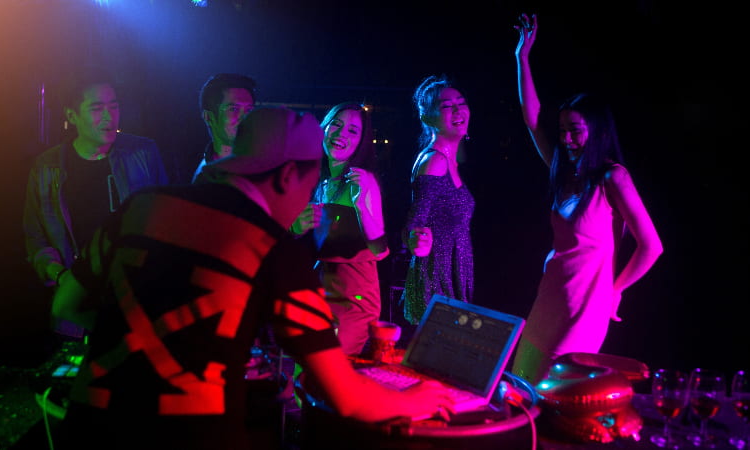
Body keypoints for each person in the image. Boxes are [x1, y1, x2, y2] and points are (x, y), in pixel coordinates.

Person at [50, 107, 455, 449]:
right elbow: (344, 396)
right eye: (310, 184)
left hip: (85, 432)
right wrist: (418, 397)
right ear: (286, 177)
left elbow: (65, 305)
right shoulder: (273, 248)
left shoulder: (141, 206)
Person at [509, 14, 663, 384]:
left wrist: (615, 290)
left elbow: (651, 246)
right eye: (563, 131)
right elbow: (532, 120)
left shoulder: (612, 177)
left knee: (556, 390)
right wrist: (522, 58)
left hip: (586, 302)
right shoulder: (563, 172)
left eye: (575, 130)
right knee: (522, 385)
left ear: (596, 131)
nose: (566, 139)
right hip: (550, 293)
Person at [23, 64, 169, 342]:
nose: (109, 117)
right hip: (76, 304)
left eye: (114, 107)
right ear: (71, 116)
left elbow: (166, 221)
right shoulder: (47, 168)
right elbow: (35, 237)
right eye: (96, 109)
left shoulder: (143, 153)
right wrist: (61, 275)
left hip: (134, 299)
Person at [290, 102, 389, 357]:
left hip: (354, 296)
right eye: (336, 124)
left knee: (331, 369)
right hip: (320, 285)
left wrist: (361, 207)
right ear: (324, 128)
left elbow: (379, 250)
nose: (341, 134)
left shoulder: (362, 180)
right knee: (305, 368)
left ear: (360, 142)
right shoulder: (317, 179)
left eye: (353, 131)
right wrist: (295, 227)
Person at [401, 75, 476, 325]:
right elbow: (414, 224)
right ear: (428, 117)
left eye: (461, 102)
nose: (458, 110)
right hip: (436, 283)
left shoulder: (449, 161)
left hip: (450, 277)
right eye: (446, 106)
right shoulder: (434, 162)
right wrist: (415, 240)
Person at [191, 72, 257, 183]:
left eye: (249, 110)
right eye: (233, 109)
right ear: (209, 117)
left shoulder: (266, 169)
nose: (245, 118)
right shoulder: (204, 178)